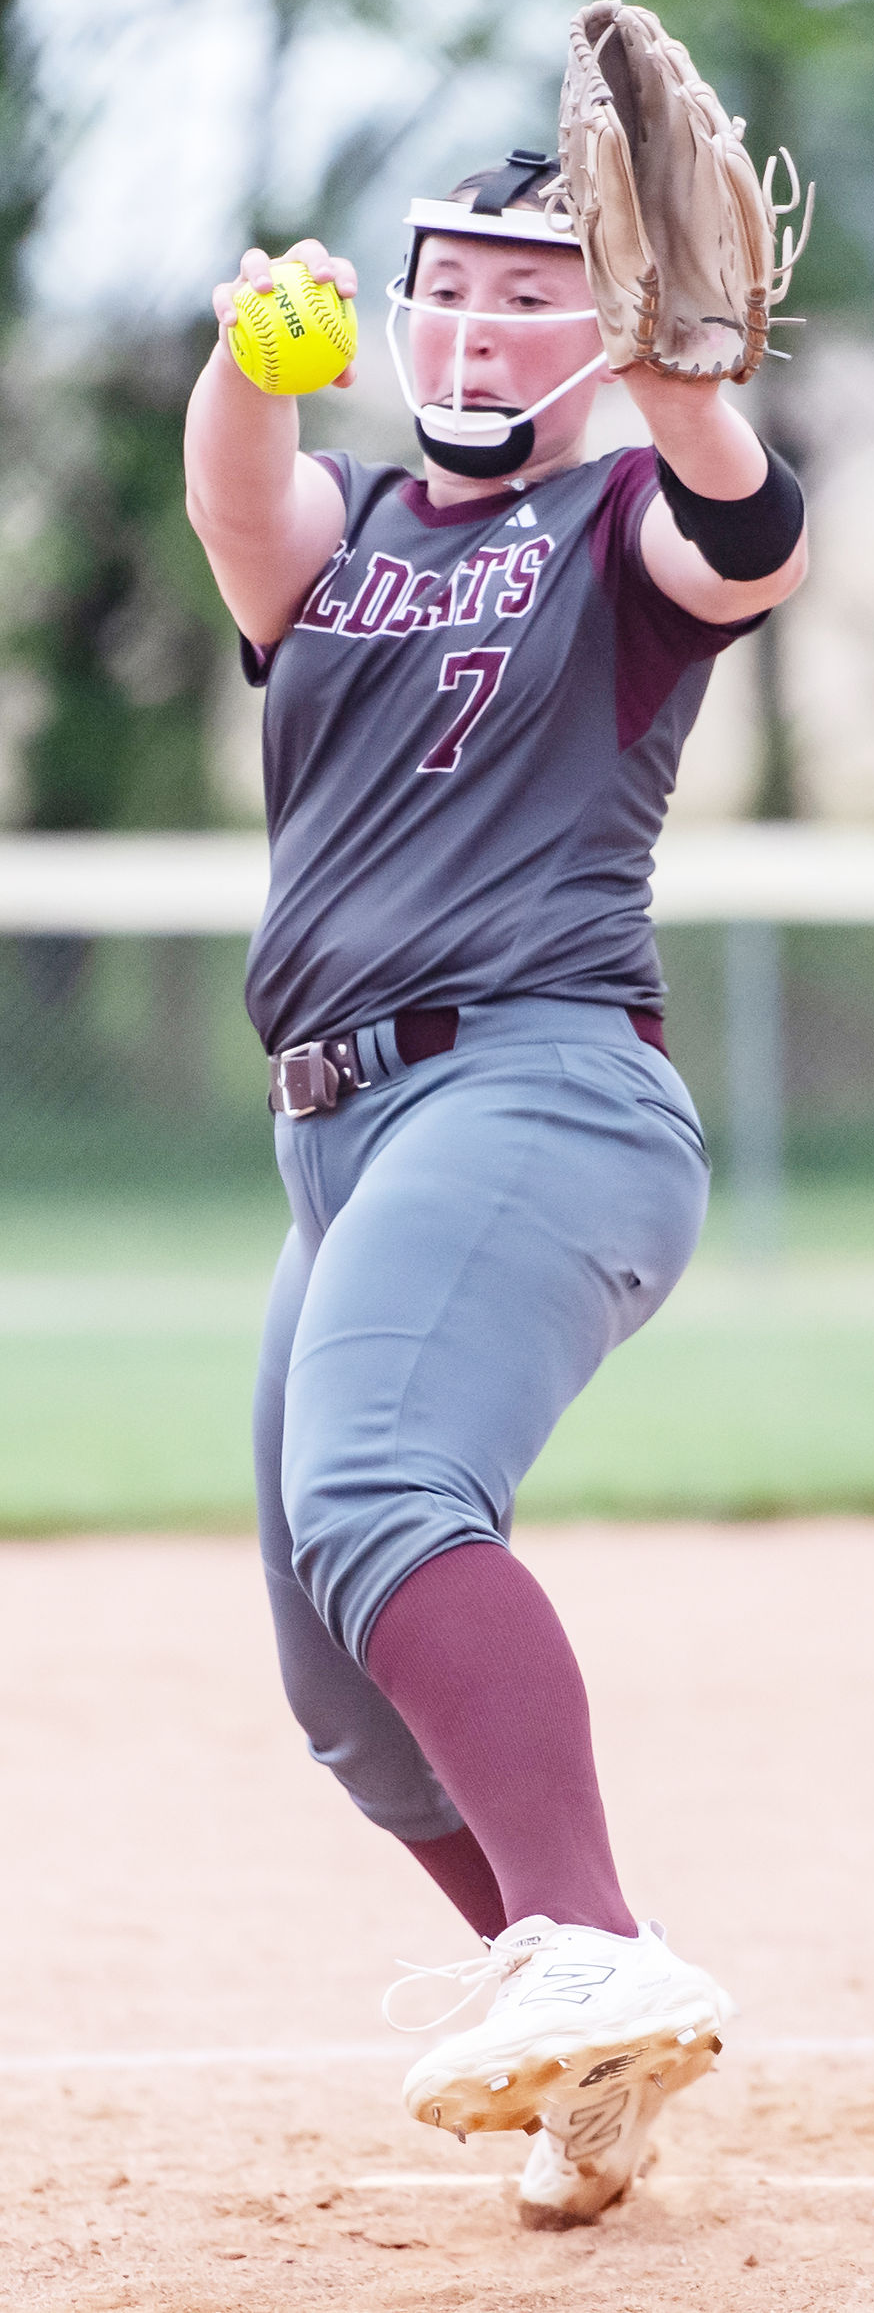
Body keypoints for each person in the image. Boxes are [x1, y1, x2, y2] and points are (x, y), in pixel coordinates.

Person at [184, 144, 806, 2228]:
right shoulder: (348, 535)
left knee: (374, 1492)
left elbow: (749, 533)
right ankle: (591, 2015)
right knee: (343, 1701)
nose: (472, 318)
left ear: (602, 325)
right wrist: (244, 357)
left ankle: (589, 1946)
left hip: (534, 1084)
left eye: (532, 287)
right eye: (446, 279)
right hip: (336, 1135)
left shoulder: (617, 515)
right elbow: (236, 509)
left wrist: (683, 377)